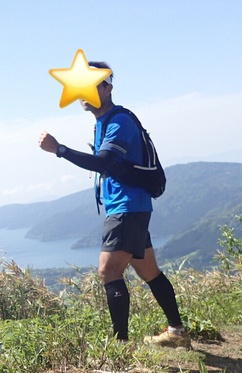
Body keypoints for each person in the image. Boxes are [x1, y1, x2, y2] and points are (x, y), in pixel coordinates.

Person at [37, 61, 190, 348]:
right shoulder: (103, 123)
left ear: (108, 87)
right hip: (129, 206)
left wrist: (59, 149)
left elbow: (104, 162)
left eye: (92, 86)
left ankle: (121, 345)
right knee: (149, 272)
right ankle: (177, 333)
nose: (84, 94)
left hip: (127, 207)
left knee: (108, 272)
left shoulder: (119, 121)